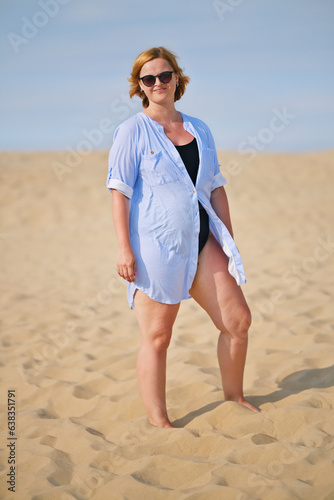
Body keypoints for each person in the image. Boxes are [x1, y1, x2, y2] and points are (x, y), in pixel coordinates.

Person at [107, 46, 259, 429]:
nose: (158, 83)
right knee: (157, 337)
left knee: (237, 321)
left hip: (204, 240)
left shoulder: (200, 128)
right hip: (156, 248)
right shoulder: (131, 131)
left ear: (177, 78)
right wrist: (124, 248)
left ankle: (234, 397)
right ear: (139, 86)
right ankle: (159, 421)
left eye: (164, 75)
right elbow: (119, 191)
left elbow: (215, 187)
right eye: (148, 78)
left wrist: (228, 238)